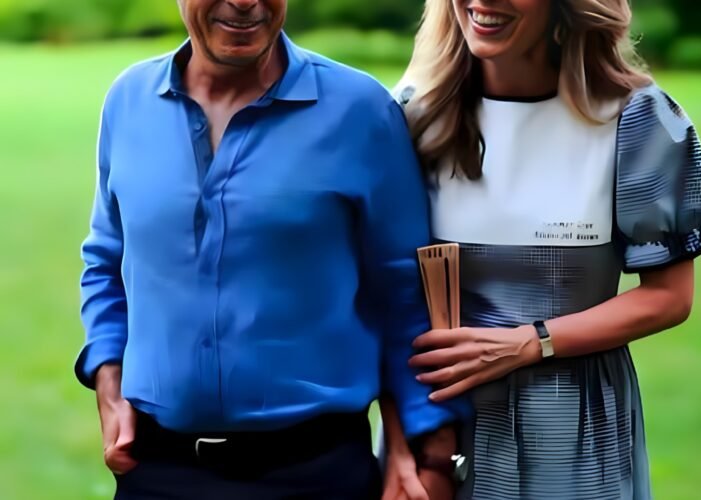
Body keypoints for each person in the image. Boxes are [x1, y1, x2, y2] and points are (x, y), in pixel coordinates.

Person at [75, 1, 469, 498]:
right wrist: (108, 374)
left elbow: (406, 296)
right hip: (154, 470)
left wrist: (433, 457)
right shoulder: (128, 102)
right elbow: (106, 261)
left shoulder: (361, 111)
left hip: (317, 476)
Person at [384, 0, 701, 498]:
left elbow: (669, 296)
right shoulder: (411, 116)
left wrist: (529, 342)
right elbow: (387, 302)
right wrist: (404, 452)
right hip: (440, 430)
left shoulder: (637, 119)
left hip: (575, 428)